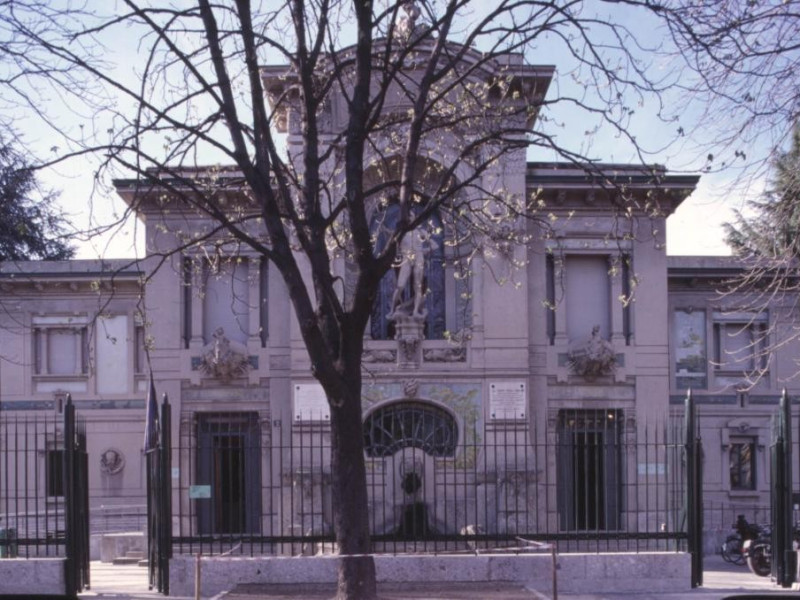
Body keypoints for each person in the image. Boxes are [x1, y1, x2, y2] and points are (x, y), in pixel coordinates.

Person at [391, 227, 436, 317]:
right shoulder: (402, 232)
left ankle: (415, 311)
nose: (410, 218)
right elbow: (395, 247)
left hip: (418, 258)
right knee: (400, 285)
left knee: (417, 287)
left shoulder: (421, 231)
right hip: (406, 259)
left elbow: (434, 246)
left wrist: (423, 251)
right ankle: (392, 310)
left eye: (411, 216)